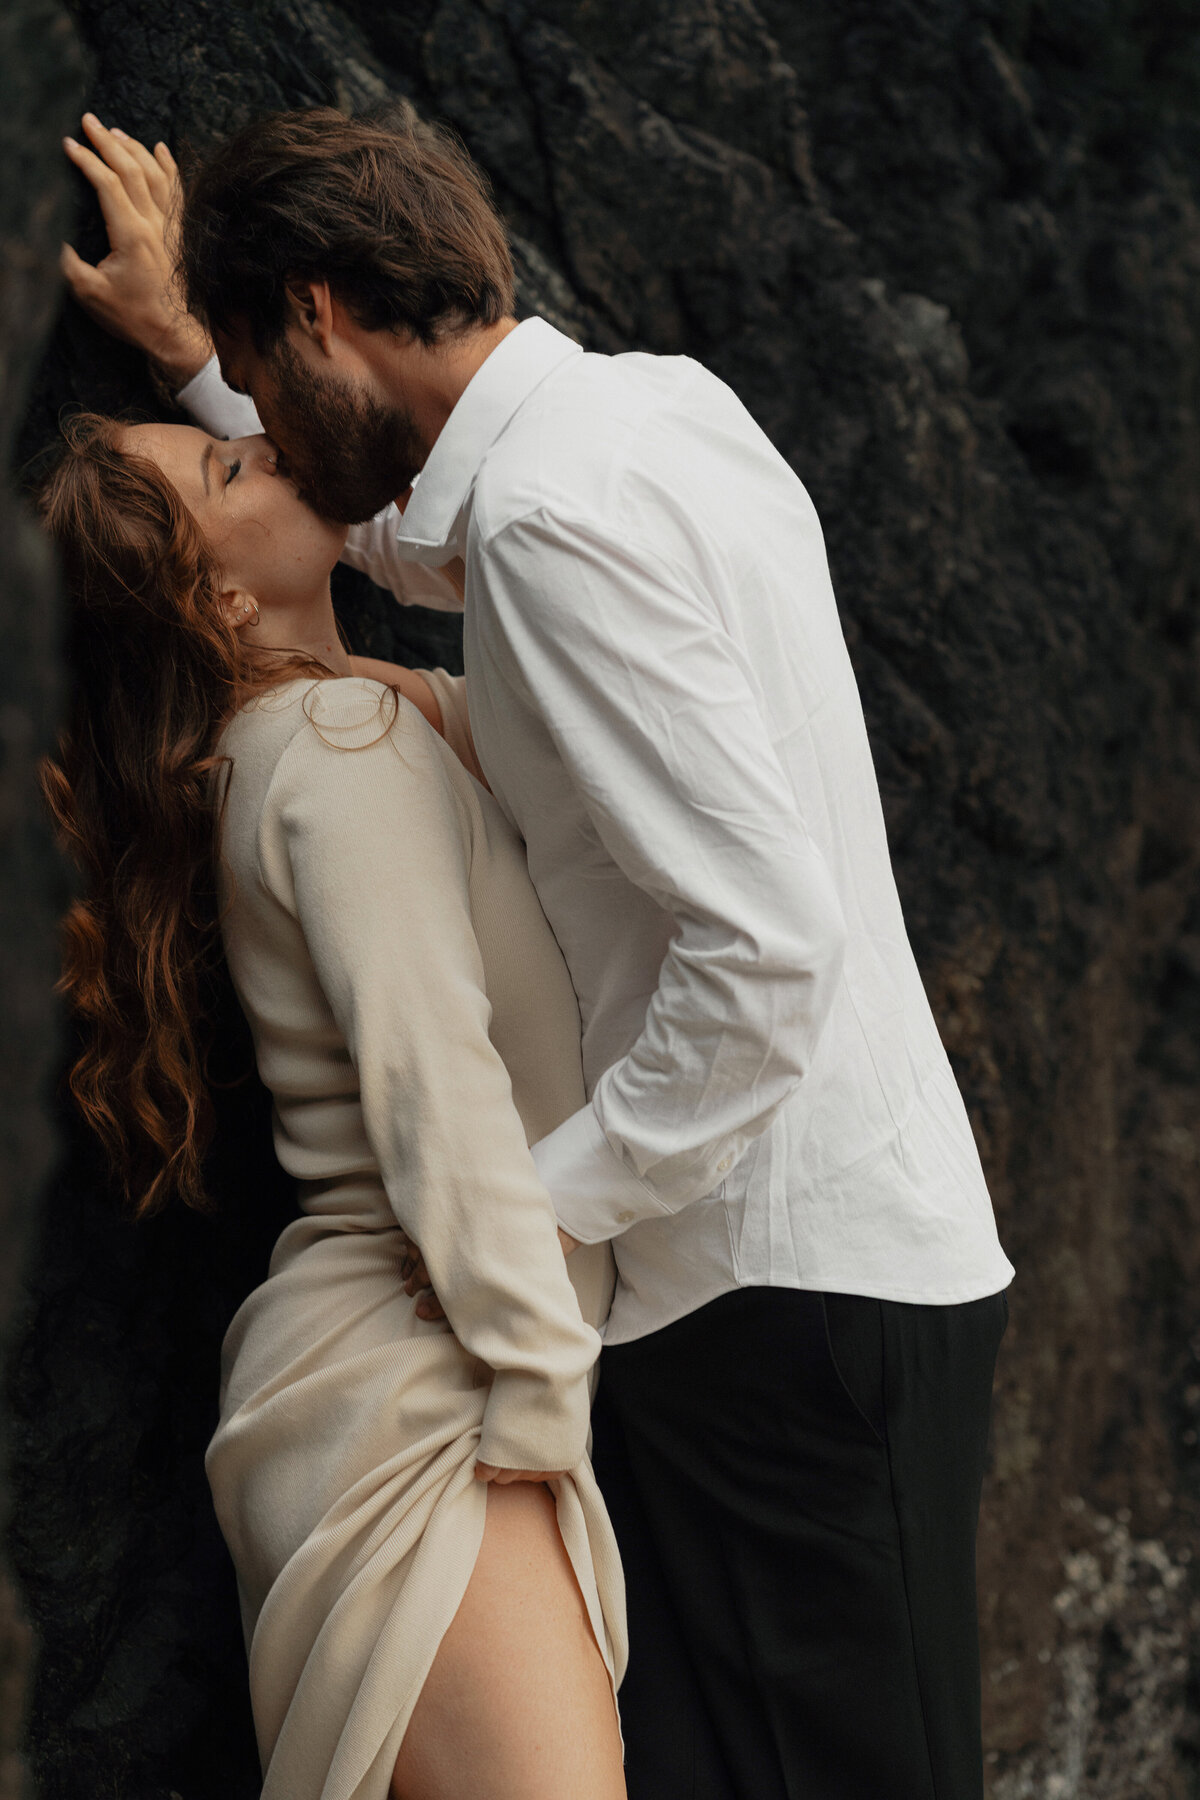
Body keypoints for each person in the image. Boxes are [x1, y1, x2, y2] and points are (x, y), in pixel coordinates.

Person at [62, 104, 1016, 1799]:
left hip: (767, 1279)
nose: (269, 436)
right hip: (830, 1261)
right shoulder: (659, 412)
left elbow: (764, 959)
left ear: (324, 308)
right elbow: (392, 565)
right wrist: (197, 359)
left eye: (262, 399)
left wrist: (526, 1222)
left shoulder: (541, 529)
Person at [44, 126, 629, 1800]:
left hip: (422, 1358)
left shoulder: (361, 725)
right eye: (227, 473)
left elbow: (404, 531)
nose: (266, 450)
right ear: (205, 610)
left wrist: (189, 348)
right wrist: (534, 1391)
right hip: (430, 1387)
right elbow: (433, 1078)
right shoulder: (348, 750)